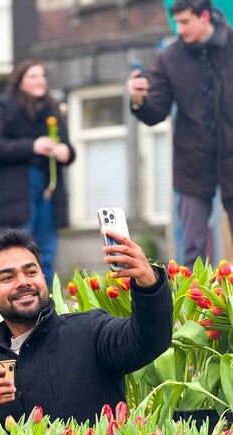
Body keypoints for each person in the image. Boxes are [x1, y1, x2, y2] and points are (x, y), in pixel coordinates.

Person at [0, 229, 173, 424]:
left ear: (43, 278)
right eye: (8, 277)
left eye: (31, 272)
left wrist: (149, 284)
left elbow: (147, 341)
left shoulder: (90, 331)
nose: (23, 282)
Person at [128, 0, 233, 269]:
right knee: (193, 249)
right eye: (176, 22)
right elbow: (155, 113)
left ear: (205, 16)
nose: (179, 29)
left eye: (185, 21)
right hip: (192, 164)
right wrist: (139, 100)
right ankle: (191, 311)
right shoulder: (169, 57)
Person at [0, 59, 76, 285]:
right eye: (33, 76)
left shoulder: (53, 107)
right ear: (20, 82)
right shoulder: (6, 107)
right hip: (18, 190)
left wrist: (66, 150)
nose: (40, 81)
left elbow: (67, 147)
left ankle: (46, 300)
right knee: (21, 246)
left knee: (47, 247)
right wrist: (33, 146)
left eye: (43, 76)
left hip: (47, 188)